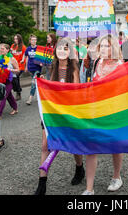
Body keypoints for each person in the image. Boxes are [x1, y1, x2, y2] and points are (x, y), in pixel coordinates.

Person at [35, 38, 81, 195]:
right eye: (60, 48)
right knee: (45, 145)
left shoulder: (74, 69)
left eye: (66, 48)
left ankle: (79, 168)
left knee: (73, 145)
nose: (62, 51)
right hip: (52, 112)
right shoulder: (52, 66)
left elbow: (76, 92)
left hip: (68, 113)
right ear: (55, 50)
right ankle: (42, 184)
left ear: (70, 52)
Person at [82, 34, 125, 195]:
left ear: (114, 47)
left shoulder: (120, 65)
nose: (104, 49)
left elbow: (122, 89)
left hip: (114, 111)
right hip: (96, 109)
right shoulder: (98, 63)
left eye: (107, 46)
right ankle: (89, 188)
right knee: (91, 147)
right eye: (102, 46)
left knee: (116, 146)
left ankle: (116, 177)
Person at [0, 44, 20, 116]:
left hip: (11, 79)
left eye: (3, 49)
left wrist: (10, 69)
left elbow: (18, 70)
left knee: (4, 95)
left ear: (7, 50)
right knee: (9, 95)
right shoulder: (0, 58)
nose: (1, 50)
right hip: (2, 79)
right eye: (1, 49)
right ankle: (15, 108)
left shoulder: (12, 59)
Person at [24, 35, 43, 105]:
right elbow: (27, 57)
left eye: (35, 40)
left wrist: (42, 63)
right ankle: (41, 96)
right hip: (30, 68)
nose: (34, 41)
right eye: (32, 40)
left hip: (37, 68)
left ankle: (30, 98)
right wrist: (26, 67)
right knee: (36, 83)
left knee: (33, 82)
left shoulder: (39, 48)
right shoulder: (28, 49)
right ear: (30, 41)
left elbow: (43, 59)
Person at [10, 34, 27, 101]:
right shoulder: (12, 46)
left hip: (20, 66)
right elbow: (10, 55)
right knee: (14, 78)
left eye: (16, 39)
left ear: (19, 39)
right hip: (13, 65)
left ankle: (18, 92)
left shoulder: (23, 47)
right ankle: (18, 90)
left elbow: (24, 58)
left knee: (16, 77)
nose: (15, 40)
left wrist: (21, 66)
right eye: (14, 39)